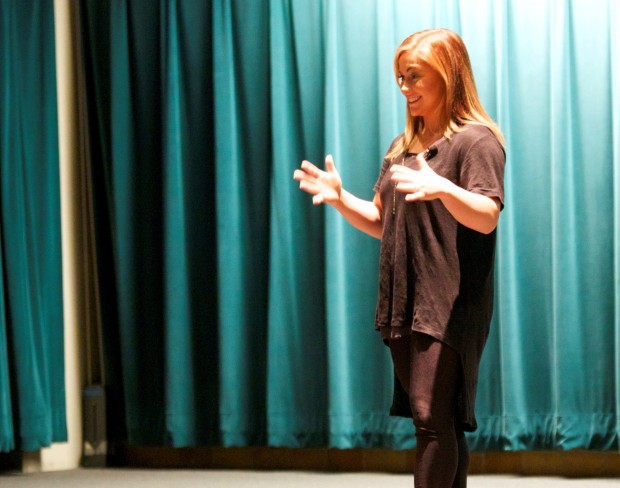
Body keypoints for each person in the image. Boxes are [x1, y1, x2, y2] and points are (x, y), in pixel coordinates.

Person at [293, 28, 505, 487]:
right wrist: (339, 197)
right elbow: (382, 220)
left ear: (447, 75)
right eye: (400, 78)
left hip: (450, 299)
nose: (405, 88)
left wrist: (444, 188)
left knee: (430, 416)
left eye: (414, 76)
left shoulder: (477, 141)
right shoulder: (401, 148)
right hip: (405, 298)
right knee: (437, 419)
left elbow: (487, 216)